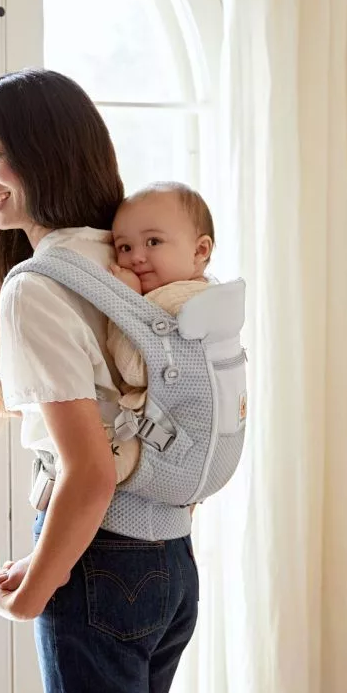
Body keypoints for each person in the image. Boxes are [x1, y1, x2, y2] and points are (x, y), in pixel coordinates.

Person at [0, 68, 199, 693]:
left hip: (99, 564)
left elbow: (90, 472)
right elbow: (120, 400)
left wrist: (33, 589)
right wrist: (9, 397)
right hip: (169, 560)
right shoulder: (127, 257)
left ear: (49, 151)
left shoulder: (36, 284)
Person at [107, 182, 215, 482]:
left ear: (200, 250)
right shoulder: (208, 296)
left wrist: (125, 301)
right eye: (125, 247)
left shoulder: (176, 304)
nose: (136, 257)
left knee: (90, 464)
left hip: (165, 444)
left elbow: (136, 370)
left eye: (153, 242)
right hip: (189, 446)